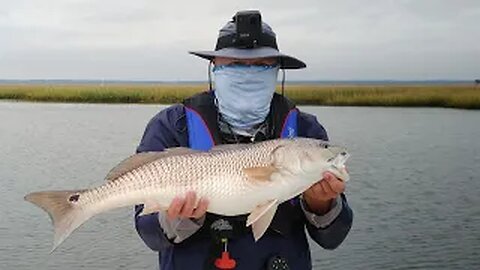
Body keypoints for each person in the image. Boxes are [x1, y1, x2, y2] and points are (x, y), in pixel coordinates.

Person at [134, 10, 353, 270]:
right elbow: (148, 232)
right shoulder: (172, 125)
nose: (249, 73)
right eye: (235, 65)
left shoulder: (305, 130)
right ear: (215, 69)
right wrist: (177, 219)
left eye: (262, 66)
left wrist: (321, 204)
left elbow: (333, 238)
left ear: (277, 72)